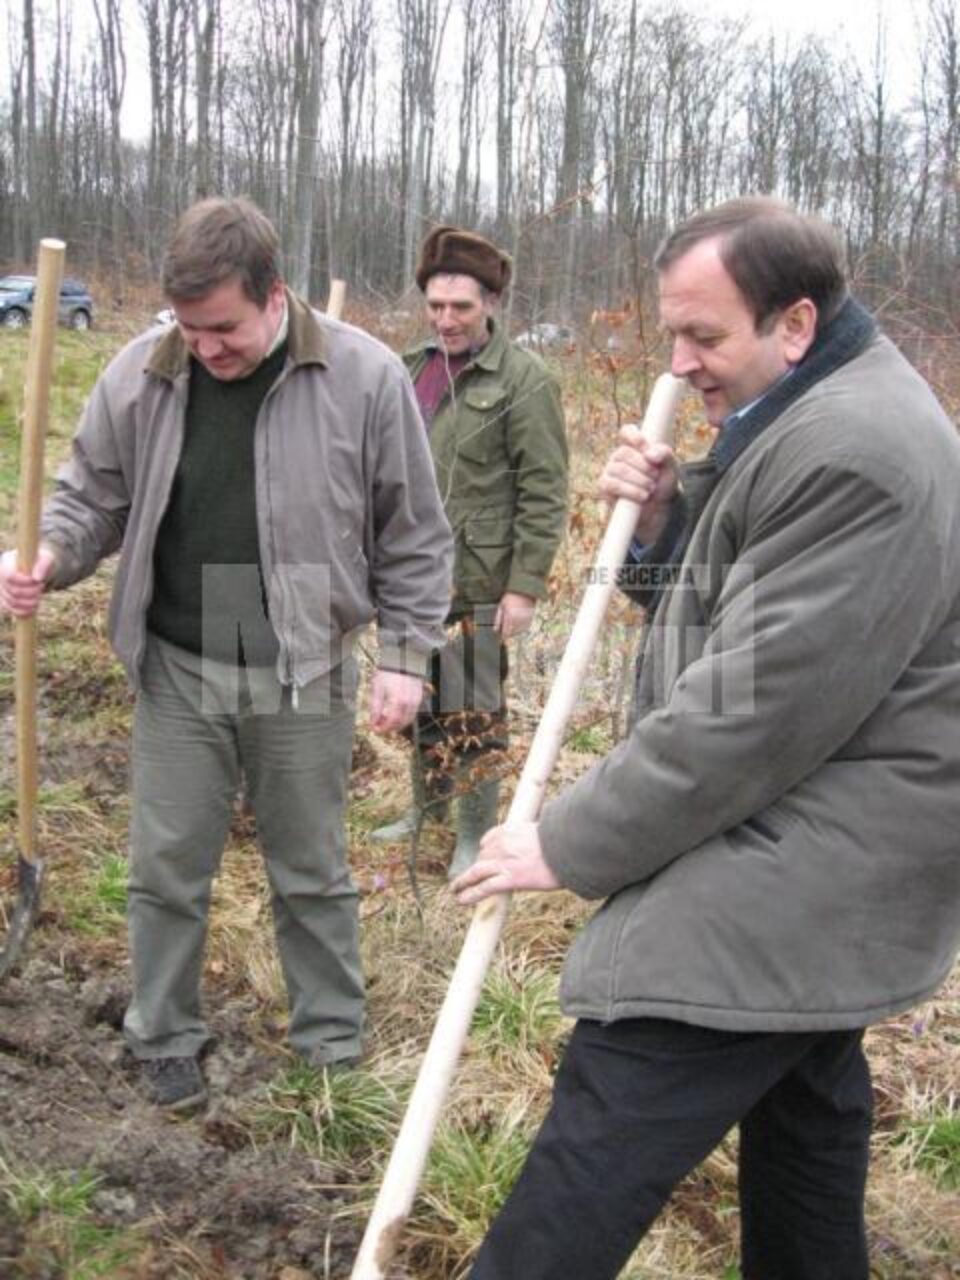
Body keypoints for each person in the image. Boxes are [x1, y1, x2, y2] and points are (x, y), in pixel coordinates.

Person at [453, 196, 960, 1279]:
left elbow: (753, 709)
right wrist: (667, 523)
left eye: (704, 337)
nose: (678, 364)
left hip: (799, 862)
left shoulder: (862, 450)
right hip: (820, 856)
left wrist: (569, 840)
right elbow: (734, 608)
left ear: (795, 322)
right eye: (671, 334)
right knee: (807, 1143)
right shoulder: (808, 412)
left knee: (621, 1087)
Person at [0, 197, 453, 1111]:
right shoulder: (142, 372)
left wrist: (406, 654)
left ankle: (330, 1042)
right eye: (188, 326)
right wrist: (47, 552)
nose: (206, 348)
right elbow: (90, 496)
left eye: (224, 329)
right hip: (181, 654)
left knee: (311, 867)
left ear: (273, 295)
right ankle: (164, 1032)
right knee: (167, 865)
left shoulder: (362, 377)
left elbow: (414, 534)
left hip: (301, 658)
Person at [371, 226, 568, 878]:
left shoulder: (524, 380)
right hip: (409, 579)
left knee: (475, 711)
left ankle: (473, 833)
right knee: (419, 702)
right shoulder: (408, 370)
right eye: (435, 306)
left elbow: (544, 489)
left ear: (489, 304)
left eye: (460, 307)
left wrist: (524, 585)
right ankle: (425, 811)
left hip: (479, 578)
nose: (446, 319)